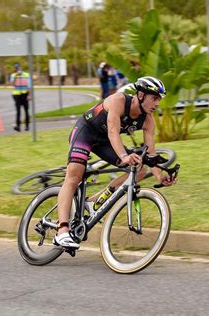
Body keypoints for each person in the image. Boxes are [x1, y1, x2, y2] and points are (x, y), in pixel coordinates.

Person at [53, 76, 177, 249]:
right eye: (154, 98)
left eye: (159, 100)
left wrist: (160, 176)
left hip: (104, 143)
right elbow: (113, 131)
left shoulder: (148, 120)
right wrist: (124, 156)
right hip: (86, 132)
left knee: (140, 170)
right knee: (74, 176)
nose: (157, 104)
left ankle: (94, 201)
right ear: (141, 95)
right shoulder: (119, 100)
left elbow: (150, 153)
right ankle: (62, 231)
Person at [9, 63, 31, 132]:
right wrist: (16, 76)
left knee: (26, 110)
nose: (18, 69)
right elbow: (12, 84)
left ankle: (27, 126)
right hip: (16, 95)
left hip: (25, 94)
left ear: (21, 68)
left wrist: (29, 95)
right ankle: (18, 127)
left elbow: (29, 86)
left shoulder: (26, 75)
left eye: (18, 68)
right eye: (16, 68)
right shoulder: (13, 75)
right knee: (18, 111)